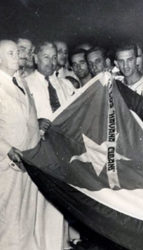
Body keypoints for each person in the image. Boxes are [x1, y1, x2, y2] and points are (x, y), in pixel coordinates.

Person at [0, 39, 65, 250]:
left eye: (17, 52)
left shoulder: (19, 80)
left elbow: (30, 118)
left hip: (29, 159)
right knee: (9, 220)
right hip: (8, 163)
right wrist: (8, 150)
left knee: (26, 218)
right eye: (11, 53)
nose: (18, 56)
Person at [26, 41, 76, 135]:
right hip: (41, 141)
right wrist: (35, 124)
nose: (51, 62)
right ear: (36, 59)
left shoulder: (67, 84)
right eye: (46, 57)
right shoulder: (25, 85)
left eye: (54, 57)